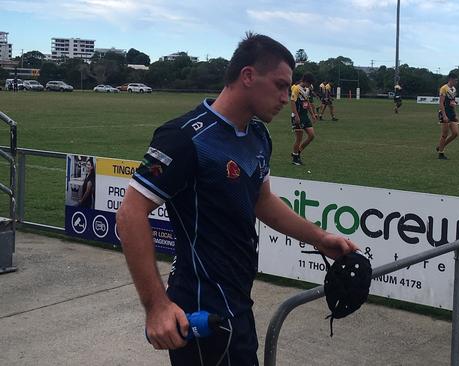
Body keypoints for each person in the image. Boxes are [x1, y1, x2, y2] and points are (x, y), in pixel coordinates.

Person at [116, 33, 359, 366]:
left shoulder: (258, 136)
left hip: (238, 300)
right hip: (201, 306)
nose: (285, 97)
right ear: (247, 76)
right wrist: (156, 306)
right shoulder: (186, 137)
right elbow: (130, 213)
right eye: (278, 85)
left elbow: (263, 202)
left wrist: (320, 238)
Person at [290, 73, 317, 166]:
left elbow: (307, 102)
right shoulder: (296, 88)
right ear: (305, 81)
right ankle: (295, 158)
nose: (310, 86)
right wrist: (296, 116)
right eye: (309, 83)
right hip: (297, 116)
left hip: (305, 116)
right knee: (299, 138)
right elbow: (292, 102)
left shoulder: (307, 89)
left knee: (311, 135)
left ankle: (297, 152)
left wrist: (313, 114)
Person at [436, 73, 459, 160]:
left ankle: (440, 146)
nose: (457, 82)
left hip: (451, 113)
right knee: (444, 134)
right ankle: (441, 153)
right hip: (444, 113)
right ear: (451, 79)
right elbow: (441, 103)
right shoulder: (443, 88)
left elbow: (453, 102)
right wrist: (444, 115)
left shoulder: (454, 89)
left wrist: (455, 113)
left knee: (455, 133)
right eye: (456, 80)